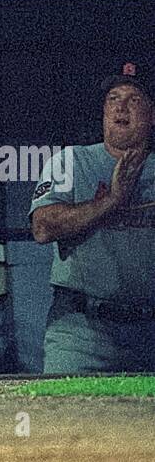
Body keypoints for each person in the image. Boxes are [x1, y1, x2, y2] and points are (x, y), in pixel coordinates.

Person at [30, 62, 155, 375]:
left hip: (149, 333)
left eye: (134, 100)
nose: (121, 107)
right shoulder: (71, 161)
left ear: (151, 115)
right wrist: (112, 201)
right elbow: (43, 227)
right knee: (61, 423)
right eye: (113, 98)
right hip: (82, 332)